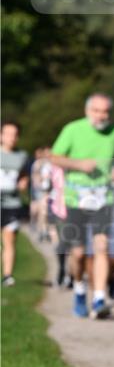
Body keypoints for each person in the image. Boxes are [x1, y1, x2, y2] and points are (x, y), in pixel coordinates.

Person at [50, 94, 114, 318]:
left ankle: (99, 298)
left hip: (103, 197)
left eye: (105, 112)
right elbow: (55, 157)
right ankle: (79, 288)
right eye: (97, 111)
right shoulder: (72, 129)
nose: (102, 116)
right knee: (78, 253)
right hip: (75, 198)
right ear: (87, 111)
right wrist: (78, 164)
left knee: (101, 247)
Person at [1, 122, 30, 286]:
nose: (11, 138)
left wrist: (24, 182)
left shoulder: (22, 156)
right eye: (7, 134)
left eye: (14, 134)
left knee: (9, 239)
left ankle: (7, 276)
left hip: (12, 203)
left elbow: (24, 175)